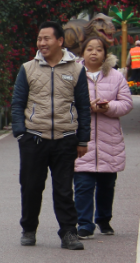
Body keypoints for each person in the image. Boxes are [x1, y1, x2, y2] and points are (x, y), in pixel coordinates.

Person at [11, 21, 91, 250]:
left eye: (46, 38)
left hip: (66, 139)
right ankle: (28, 229)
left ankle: (68, 233)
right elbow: (18, 103)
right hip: (33, 138)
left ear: (60, 41)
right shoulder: (28, 68)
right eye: (39, 39)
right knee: (31, 186)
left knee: (65, 189)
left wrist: (83, 139)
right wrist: (20, 133)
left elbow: (84, 107)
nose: (42, 43)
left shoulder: (76, 69)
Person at [73, 36, 133, 240]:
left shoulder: (116, 77)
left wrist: (108, 107)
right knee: (83, 184)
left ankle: (104, 220)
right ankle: (84, 224)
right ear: (82, 52)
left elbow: (126, 104)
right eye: (89, 49)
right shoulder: (73, 74)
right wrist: (86, 107)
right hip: (82, 140)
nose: (94, 53)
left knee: (107, 185)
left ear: (105, 54)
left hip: (110, 142)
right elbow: (64, 102)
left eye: (99, 49)